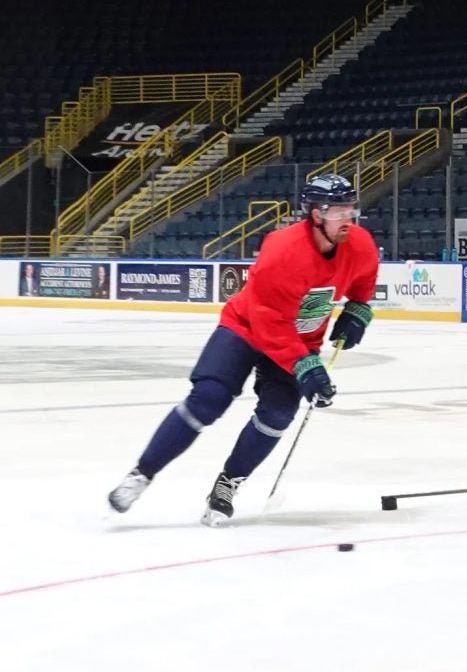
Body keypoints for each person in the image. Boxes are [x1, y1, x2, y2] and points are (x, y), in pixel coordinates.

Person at [108, 174, 379, 526]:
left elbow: (363, 279)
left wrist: (359, 309)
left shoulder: (360, 244)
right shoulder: (282, 251)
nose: (347, 218)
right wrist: (305, 366)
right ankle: (142, 473)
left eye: (350, 210)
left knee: (279, 414)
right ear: (315, 215)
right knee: (208, 398)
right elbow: (270, 321)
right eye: (337, 211)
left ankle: (227, 484)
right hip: (247, 328)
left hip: (298, 341)